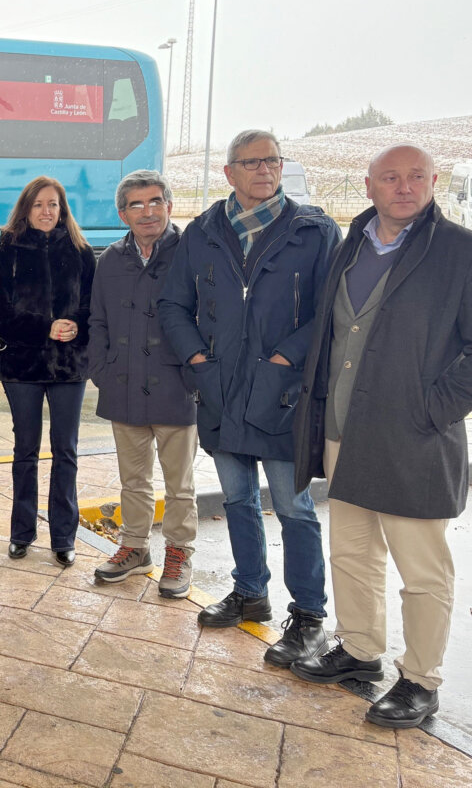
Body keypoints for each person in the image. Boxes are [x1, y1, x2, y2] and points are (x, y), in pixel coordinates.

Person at [290, 144, 471, 728]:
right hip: (344, 429)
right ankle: (360, 649)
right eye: (390, 177)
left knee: (422, 569)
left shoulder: (460, 251)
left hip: (414, 437)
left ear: (434, 181)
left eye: (416, 176)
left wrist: (433, 409)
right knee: (352, 551)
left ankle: (420, 679)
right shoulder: (353, 243)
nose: (404, 186)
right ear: (369, 186)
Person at [159, 129, 340, 668]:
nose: (265, 170)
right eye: (253, 162)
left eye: (273, 160)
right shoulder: (203, 231)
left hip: (283, 394)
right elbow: (173, 304)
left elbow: (330, 311)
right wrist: (196, 358)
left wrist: (286, 357)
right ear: (229, 172)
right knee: (238, 499)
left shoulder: (314, 231)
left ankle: (308, 616)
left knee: (293, 506)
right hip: (219, 389)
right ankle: (249, 593)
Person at [88, 171, 197, 594]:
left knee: (180, 485)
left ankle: (179, 553)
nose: (147, 212)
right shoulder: (111, 259)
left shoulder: (191, 252)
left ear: (169, 206)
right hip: (123, 384)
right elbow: (97, 320)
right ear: (123, 214)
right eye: (136, 204)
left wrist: (196, 371)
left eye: (155, 202)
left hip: (177, 386)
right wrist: (101, 369)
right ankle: (135, 548)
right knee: (133, 480)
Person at [0, 176, 95, 566]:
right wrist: (43, 328)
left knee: (66, 451)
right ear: (26, 209)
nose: (46, 211)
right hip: (23, 368)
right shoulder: (7, 253)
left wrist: (77, 326)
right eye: (38, 204)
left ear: (62, 210)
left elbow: (95, 307)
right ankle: (21, 533)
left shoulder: (82, 253)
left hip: (69, 368)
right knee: (25, 451)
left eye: (53, 204)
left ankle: (63, 537)